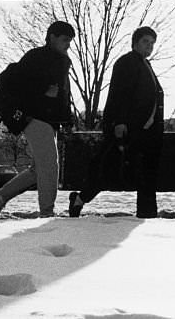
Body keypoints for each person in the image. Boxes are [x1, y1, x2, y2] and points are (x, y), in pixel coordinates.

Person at [69, 26, 164, 218]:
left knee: (146, 173)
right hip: (128, 128)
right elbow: (119, 94)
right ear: (135, 42)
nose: (150, 46)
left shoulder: (145, 65)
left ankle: (148, 214)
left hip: (145, 131)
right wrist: (119, 122)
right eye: (146, 41)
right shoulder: (127, 62)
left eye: (152, 43)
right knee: (107, 168)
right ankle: (79, 199)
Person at [0, 20, 75, 218]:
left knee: (38, 169)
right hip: (34, 118)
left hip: (48, 120)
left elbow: (61, 94)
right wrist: (43, 91)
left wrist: (67, 119)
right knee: (50, 167)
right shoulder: (38, 57)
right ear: (51, 37)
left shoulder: (60, 61)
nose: (68, 44)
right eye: (64, 39)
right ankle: (47, 213)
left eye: (70, 40)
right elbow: (9, 81)